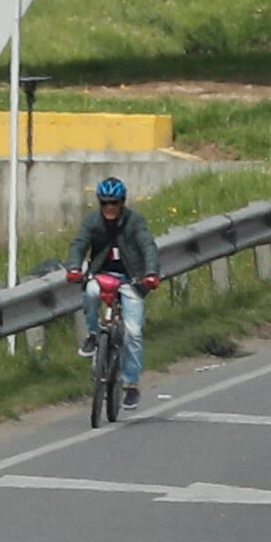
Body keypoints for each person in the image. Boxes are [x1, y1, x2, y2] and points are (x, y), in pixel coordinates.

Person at [70, 173, 161, 409]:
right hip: (101, 275)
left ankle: (131, 385)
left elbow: (148, 246)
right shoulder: (92, 221)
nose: (109, 208)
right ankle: (92, 334)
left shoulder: (135, 222)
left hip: (132, 279)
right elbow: (79, 243)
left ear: (123, 203)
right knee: (89, 293)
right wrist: (74, 267)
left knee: (133, 332)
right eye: (104, 203)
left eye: (114, 203)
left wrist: (150, 273)